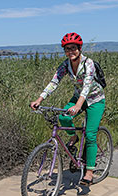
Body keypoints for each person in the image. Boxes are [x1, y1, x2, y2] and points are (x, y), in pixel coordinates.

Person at [30, 32, 106, 187]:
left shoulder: (88, 64)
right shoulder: (66, 64)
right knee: (64, 117)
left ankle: (89, 172)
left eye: (73, 48)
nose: (71, 52)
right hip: (78, 97)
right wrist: (39, 99)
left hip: (95, 100)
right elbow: (54, 82)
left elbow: (87, 86)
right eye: (67, 49)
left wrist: (78, 106)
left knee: (90, 135)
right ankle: (73, 138)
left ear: (79, 48)